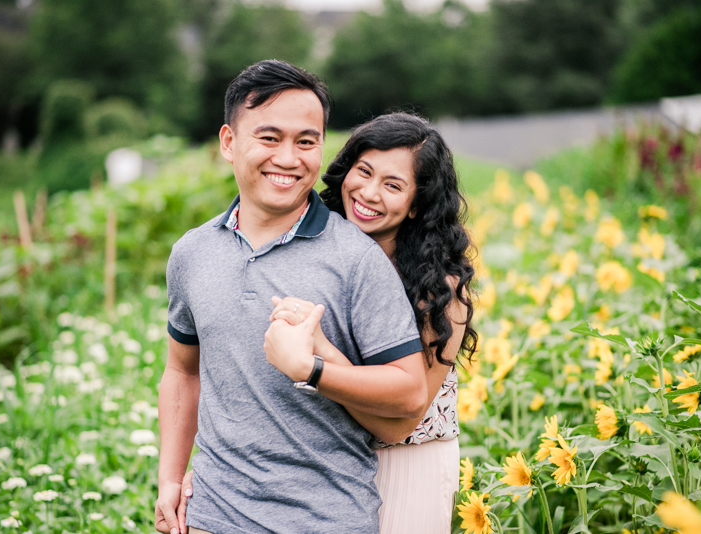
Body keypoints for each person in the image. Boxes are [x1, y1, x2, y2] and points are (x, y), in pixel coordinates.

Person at [155, 60, 430, 534]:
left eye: (306, 142)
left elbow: (409, 390)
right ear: (228, 142)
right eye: (269, 137)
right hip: (212, 516)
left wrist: (313, 369)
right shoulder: (191, 253)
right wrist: (169, 479)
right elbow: (182, 371)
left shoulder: (356, 258)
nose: (289, 157)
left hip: (326, 520)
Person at [180, 113, 478, 533]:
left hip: (409, 464)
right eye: (364, 172)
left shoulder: (439, 292)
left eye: (393, 186)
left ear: (417, 205)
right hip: (319, 463)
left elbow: (397, 422)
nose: (369, 193)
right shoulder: (315, 250)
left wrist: (319, 353)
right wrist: (224, 478)